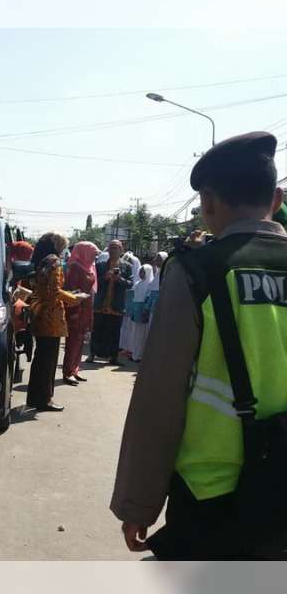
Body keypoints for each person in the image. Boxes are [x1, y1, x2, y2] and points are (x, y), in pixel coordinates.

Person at [112, 131, 287, 560]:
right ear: (277, 198)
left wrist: (139, 503)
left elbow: (160, 395)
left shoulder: (199, 272)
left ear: (207, 202)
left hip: (215, 493)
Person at [25, 232, 88, 412]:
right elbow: (55, 291)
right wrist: (74, 298)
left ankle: (34, 397)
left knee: (41, 358)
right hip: (51, 316)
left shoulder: (40, 261)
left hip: (39, 312)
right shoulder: (53, 262)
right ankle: (45, 399)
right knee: (49, 359)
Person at [87, 240, 132, 365]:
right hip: (101, 303)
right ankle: (92, 354)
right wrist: (104, 278)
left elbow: (130, 284)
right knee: (97, 330)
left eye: (116, 248)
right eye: (111, 248)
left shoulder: (127, 266)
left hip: (116, 304)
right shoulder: (100, 265)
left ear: (121, 250)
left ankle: (113, 357)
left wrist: (120, 279)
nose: (113, 250)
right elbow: (93, 282)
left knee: (114, 332)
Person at [62, 241, 100, 385]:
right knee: (72, 341)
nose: (94, 258)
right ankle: (67, 372)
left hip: (86, 305)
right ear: (85, 252)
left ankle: (75, 369)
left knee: (80, 340)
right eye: (93, 254)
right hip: (76, 306)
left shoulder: (89, 267)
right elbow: (70, 289)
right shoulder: (75, 267)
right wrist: (77, 302)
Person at [128, 264, 154, 363]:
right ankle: (134, 354)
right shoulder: (138, 283)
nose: (141, 273)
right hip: (135, 310)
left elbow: (148, 299)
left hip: (142, 311)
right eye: (140, 271)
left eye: (143, 272)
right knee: (134, 333)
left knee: (141, 335)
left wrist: (144, 310)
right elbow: (133, 297)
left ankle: (140, 355)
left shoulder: (150, 284)